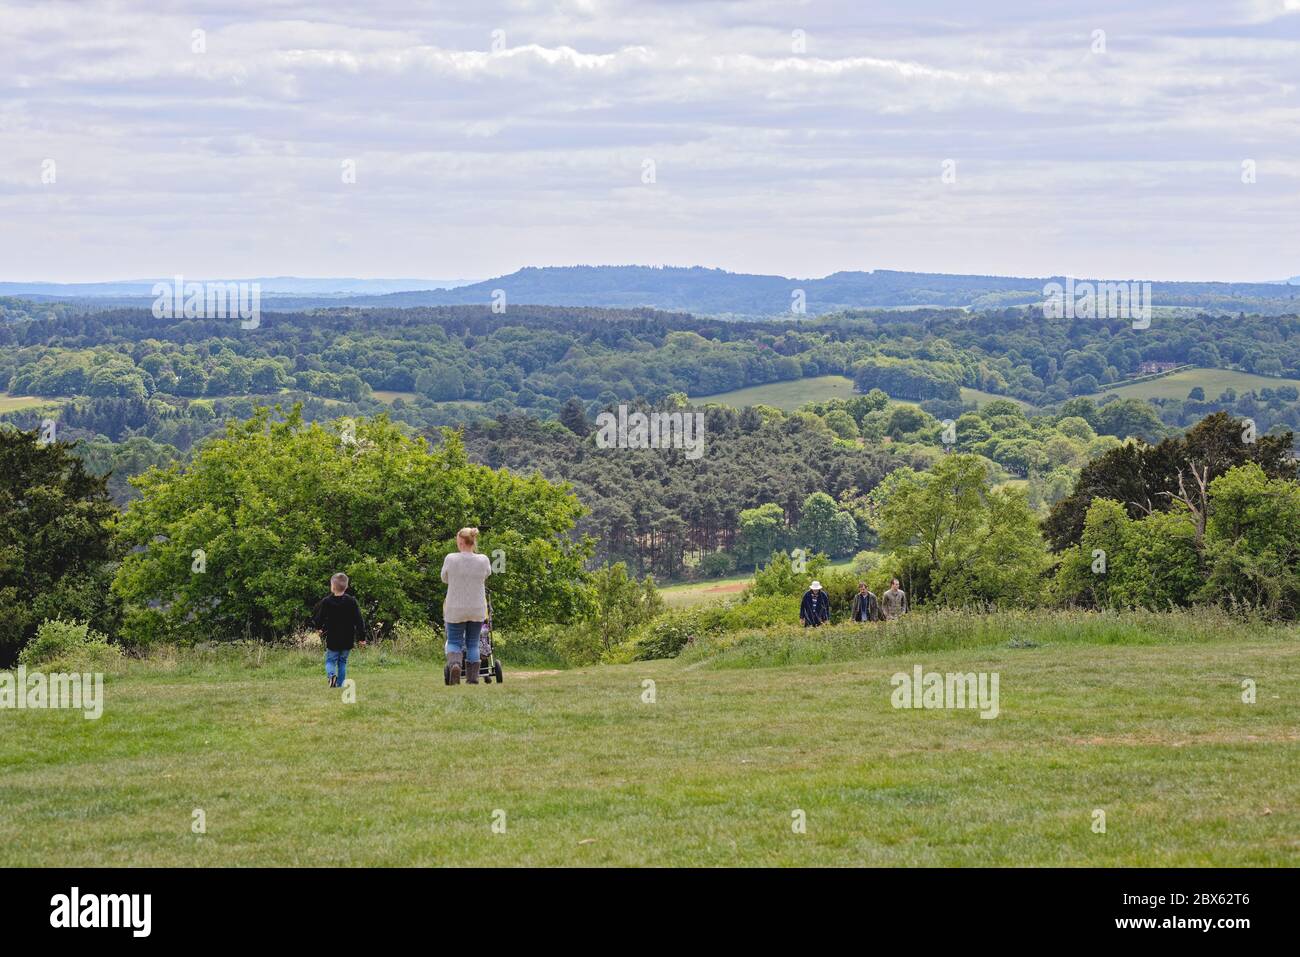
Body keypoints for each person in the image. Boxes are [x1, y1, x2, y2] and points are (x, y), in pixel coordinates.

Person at [441, 526, 492, 684]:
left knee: (455, 641)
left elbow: (444, 578)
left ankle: (455, 665)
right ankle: (472, 678)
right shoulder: (483, 559)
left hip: (455, 608)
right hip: (477, 608)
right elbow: (487, 574)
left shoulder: (451, 558)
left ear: (461, 541)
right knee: (473, 643)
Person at [312, 572, 367, 688]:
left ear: (332, 586)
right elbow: (359, 621)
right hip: (347, 638)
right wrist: (361, 638)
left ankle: (331, 675)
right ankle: (340, 684)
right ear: (346, 587)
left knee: (330, 661)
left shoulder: (326, 601)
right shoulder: (352, 601)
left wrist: (318, 628)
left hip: (333, 638)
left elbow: (319, 617)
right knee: (342, 662)